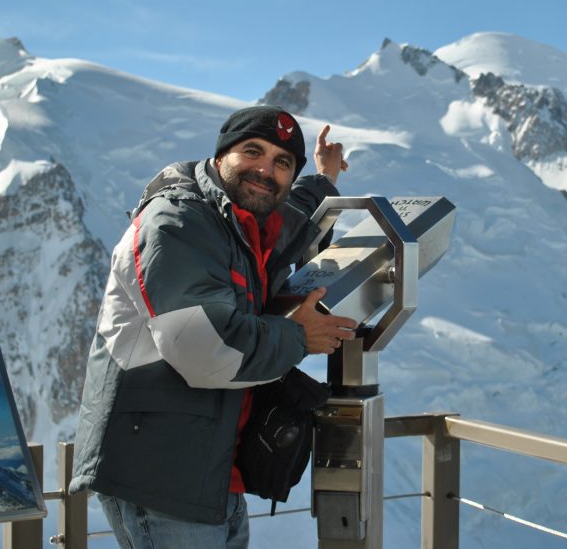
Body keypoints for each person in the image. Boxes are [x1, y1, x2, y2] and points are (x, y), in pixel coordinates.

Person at [69, 105, 358, 549]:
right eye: (253, 152)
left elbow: (295, 212)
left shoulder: (245, 219)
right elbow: (206, 352)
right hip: (162, 475)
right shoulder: (178, 222)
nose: (266, 170)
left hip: (211, 468)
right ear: (222, 154)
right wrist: (299, 337)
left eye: (282, 163)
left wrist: (325, 175)